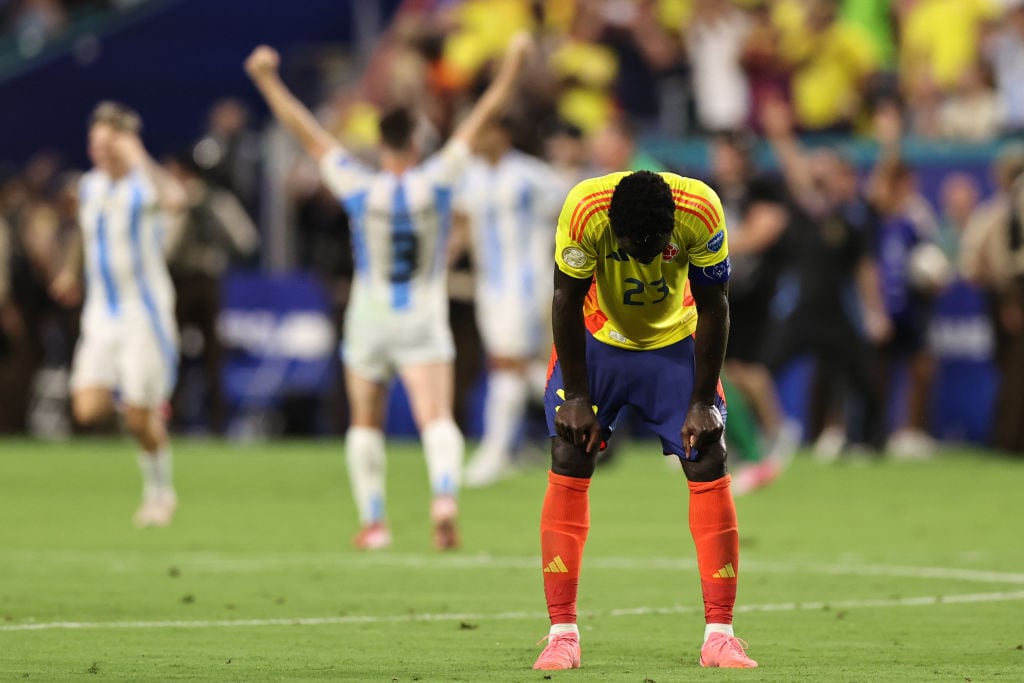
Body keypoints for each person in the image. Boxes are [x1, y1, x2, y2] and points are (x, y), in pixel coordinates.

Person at [244, 33, 532, 550]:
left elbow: (306, 132)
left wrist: (267, 78)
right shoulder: (437, 180)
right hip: (422, 315)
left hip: (369, 317)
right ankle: (444, 497)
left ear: (381, 145)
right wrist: (511, 63)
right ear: (417, 144)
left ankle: (375, 523)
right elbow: (484, 113)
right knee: (436, 416)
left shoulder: (360, 186)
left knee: (364, 419)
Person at [534, 170, 756, 670]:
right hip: (597, 337)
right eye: (635, 245)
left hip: (673, 343)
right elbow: (565, 300)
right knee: (569, 452)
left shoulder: (700, 210)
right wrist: (578, 396)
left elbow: (716, 304)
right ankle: (561, 634)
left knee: (707, 456)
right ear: (614, 226)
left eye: (657, 245)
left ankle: (720, 635)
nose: (647, 256)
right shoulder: (585, 209)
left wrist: (701, 401)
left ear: (672, 225)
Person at [50, 101, 187, 527]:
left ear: (126, 144)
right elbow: (83, 234)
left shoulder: (144, 187)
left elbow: (178, 199)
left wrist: (139, 156)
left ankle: (160, 492)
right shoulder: (89, 186)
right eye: (96, 143)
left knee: (136, 416)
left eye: (110, 144)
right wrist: (70, 272)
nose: (101, 152)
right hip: (100, 314)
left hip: (142, 316)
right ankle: (138, 402)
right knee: (87, 409)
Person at [451, 116, 566, 487]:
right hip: (490, 286)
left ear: (501, 133)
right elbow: (462, 227)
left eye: (482, 129)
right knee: (514, 367)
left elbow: (568, 215)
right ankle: (587, 409)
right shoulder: (470, 176)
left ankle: (495, 454)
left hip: (525, 283)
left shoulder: (532, 176)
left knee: (506, 364)